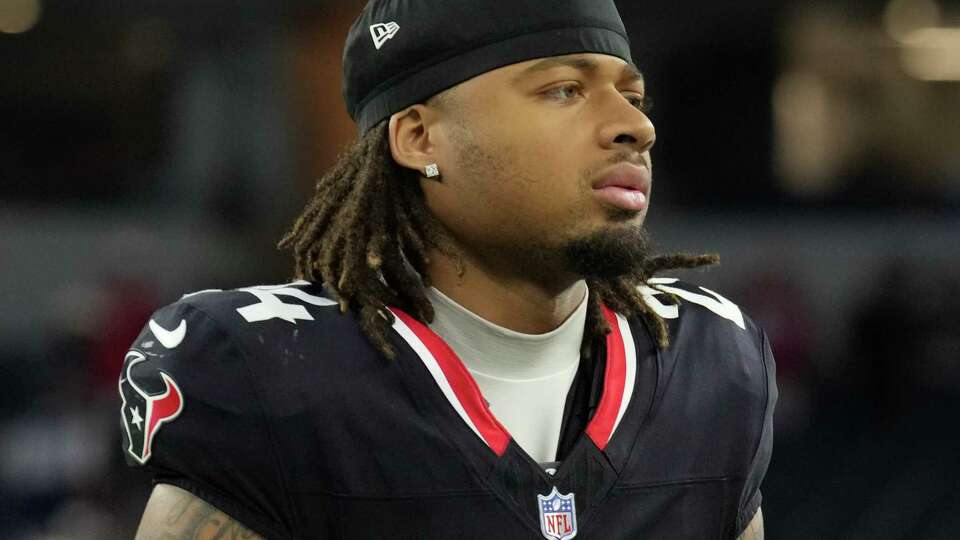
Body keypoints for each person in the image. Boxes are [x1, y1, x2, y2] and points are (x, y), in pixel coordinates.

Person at [120, 1, 776, 538]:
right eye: (564, 90)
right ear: (420, 139)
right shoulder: (270, 371)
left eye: (633, 96)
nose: (635, 126)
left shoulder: (712, 362)